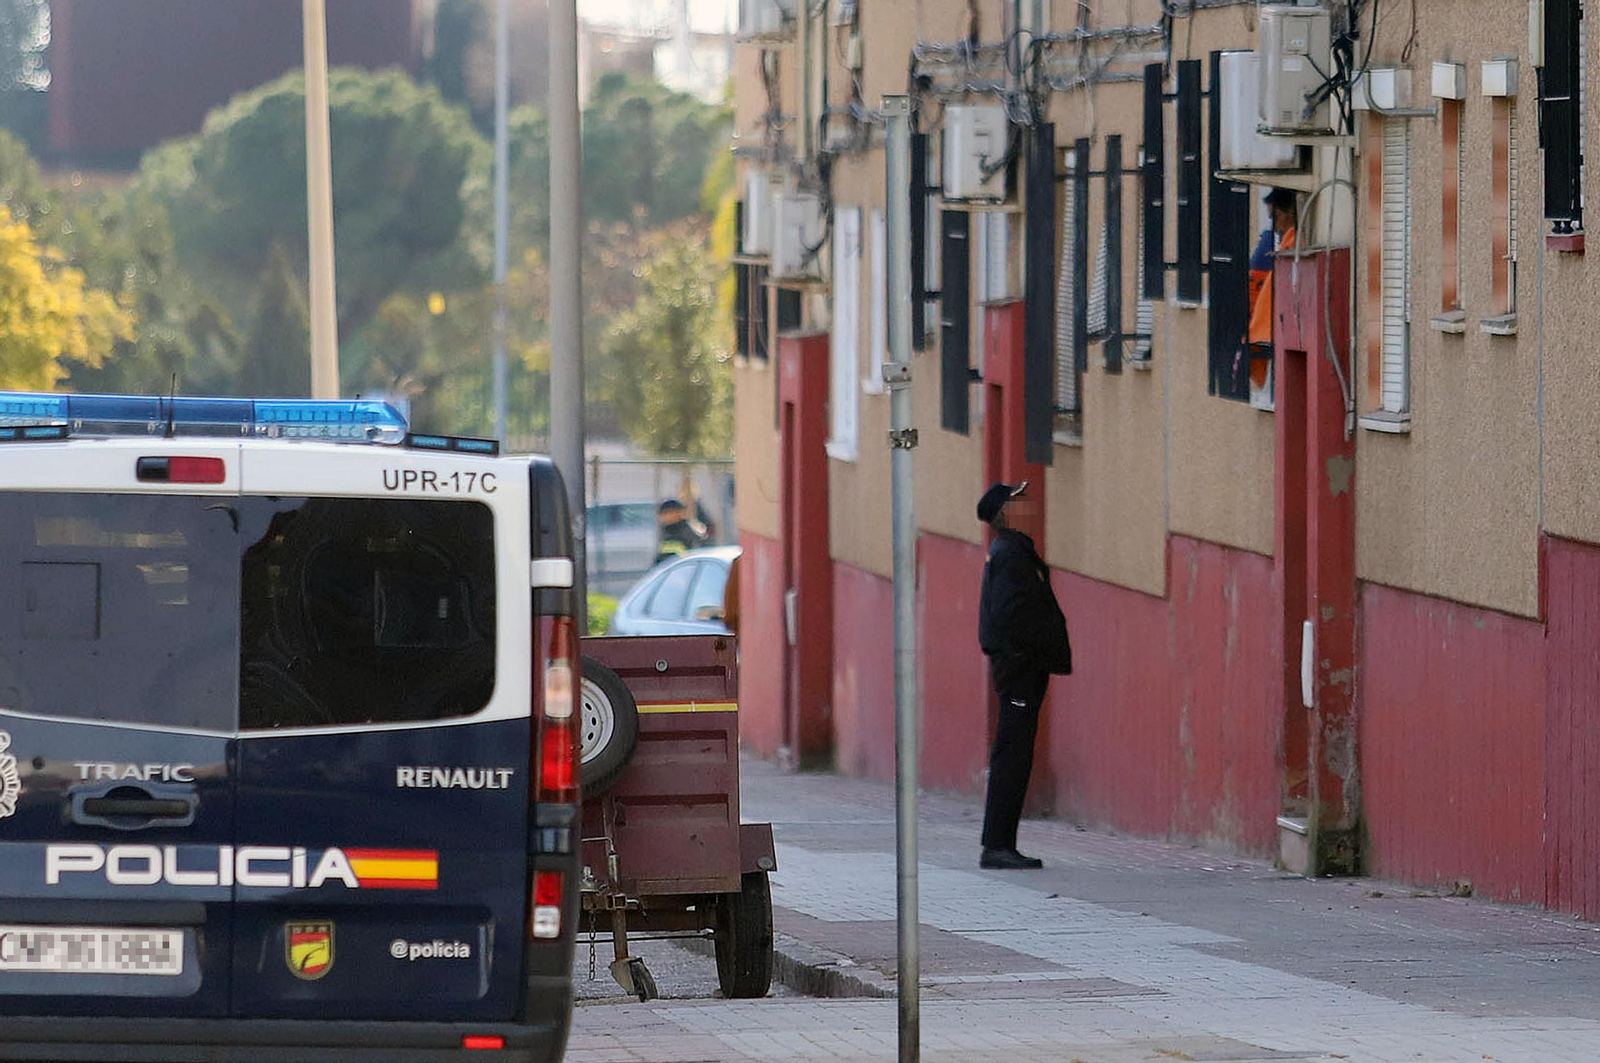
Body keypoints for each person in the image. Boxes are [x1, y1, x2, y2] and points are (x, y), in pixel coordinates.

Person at [975, 481, 1072, 870]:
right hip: (1019, 671)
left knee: (1015, 753)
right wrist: (1030, 654)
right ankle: (997, 846)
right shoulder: (1010, 555)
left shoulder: (1014, 550)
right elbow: (1010, 614)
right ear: (1006, 514)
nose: (1028, 506)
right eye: (1019, 501)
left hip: (1022, 668)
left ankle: (1001, 843)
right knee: (1011, 755)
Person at [1245, 187, 1298, 393]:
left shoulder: (1292, 244)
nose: (1275, 227)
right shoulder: (1278, 244)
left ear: (1290, 212)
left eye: (1275, 217)